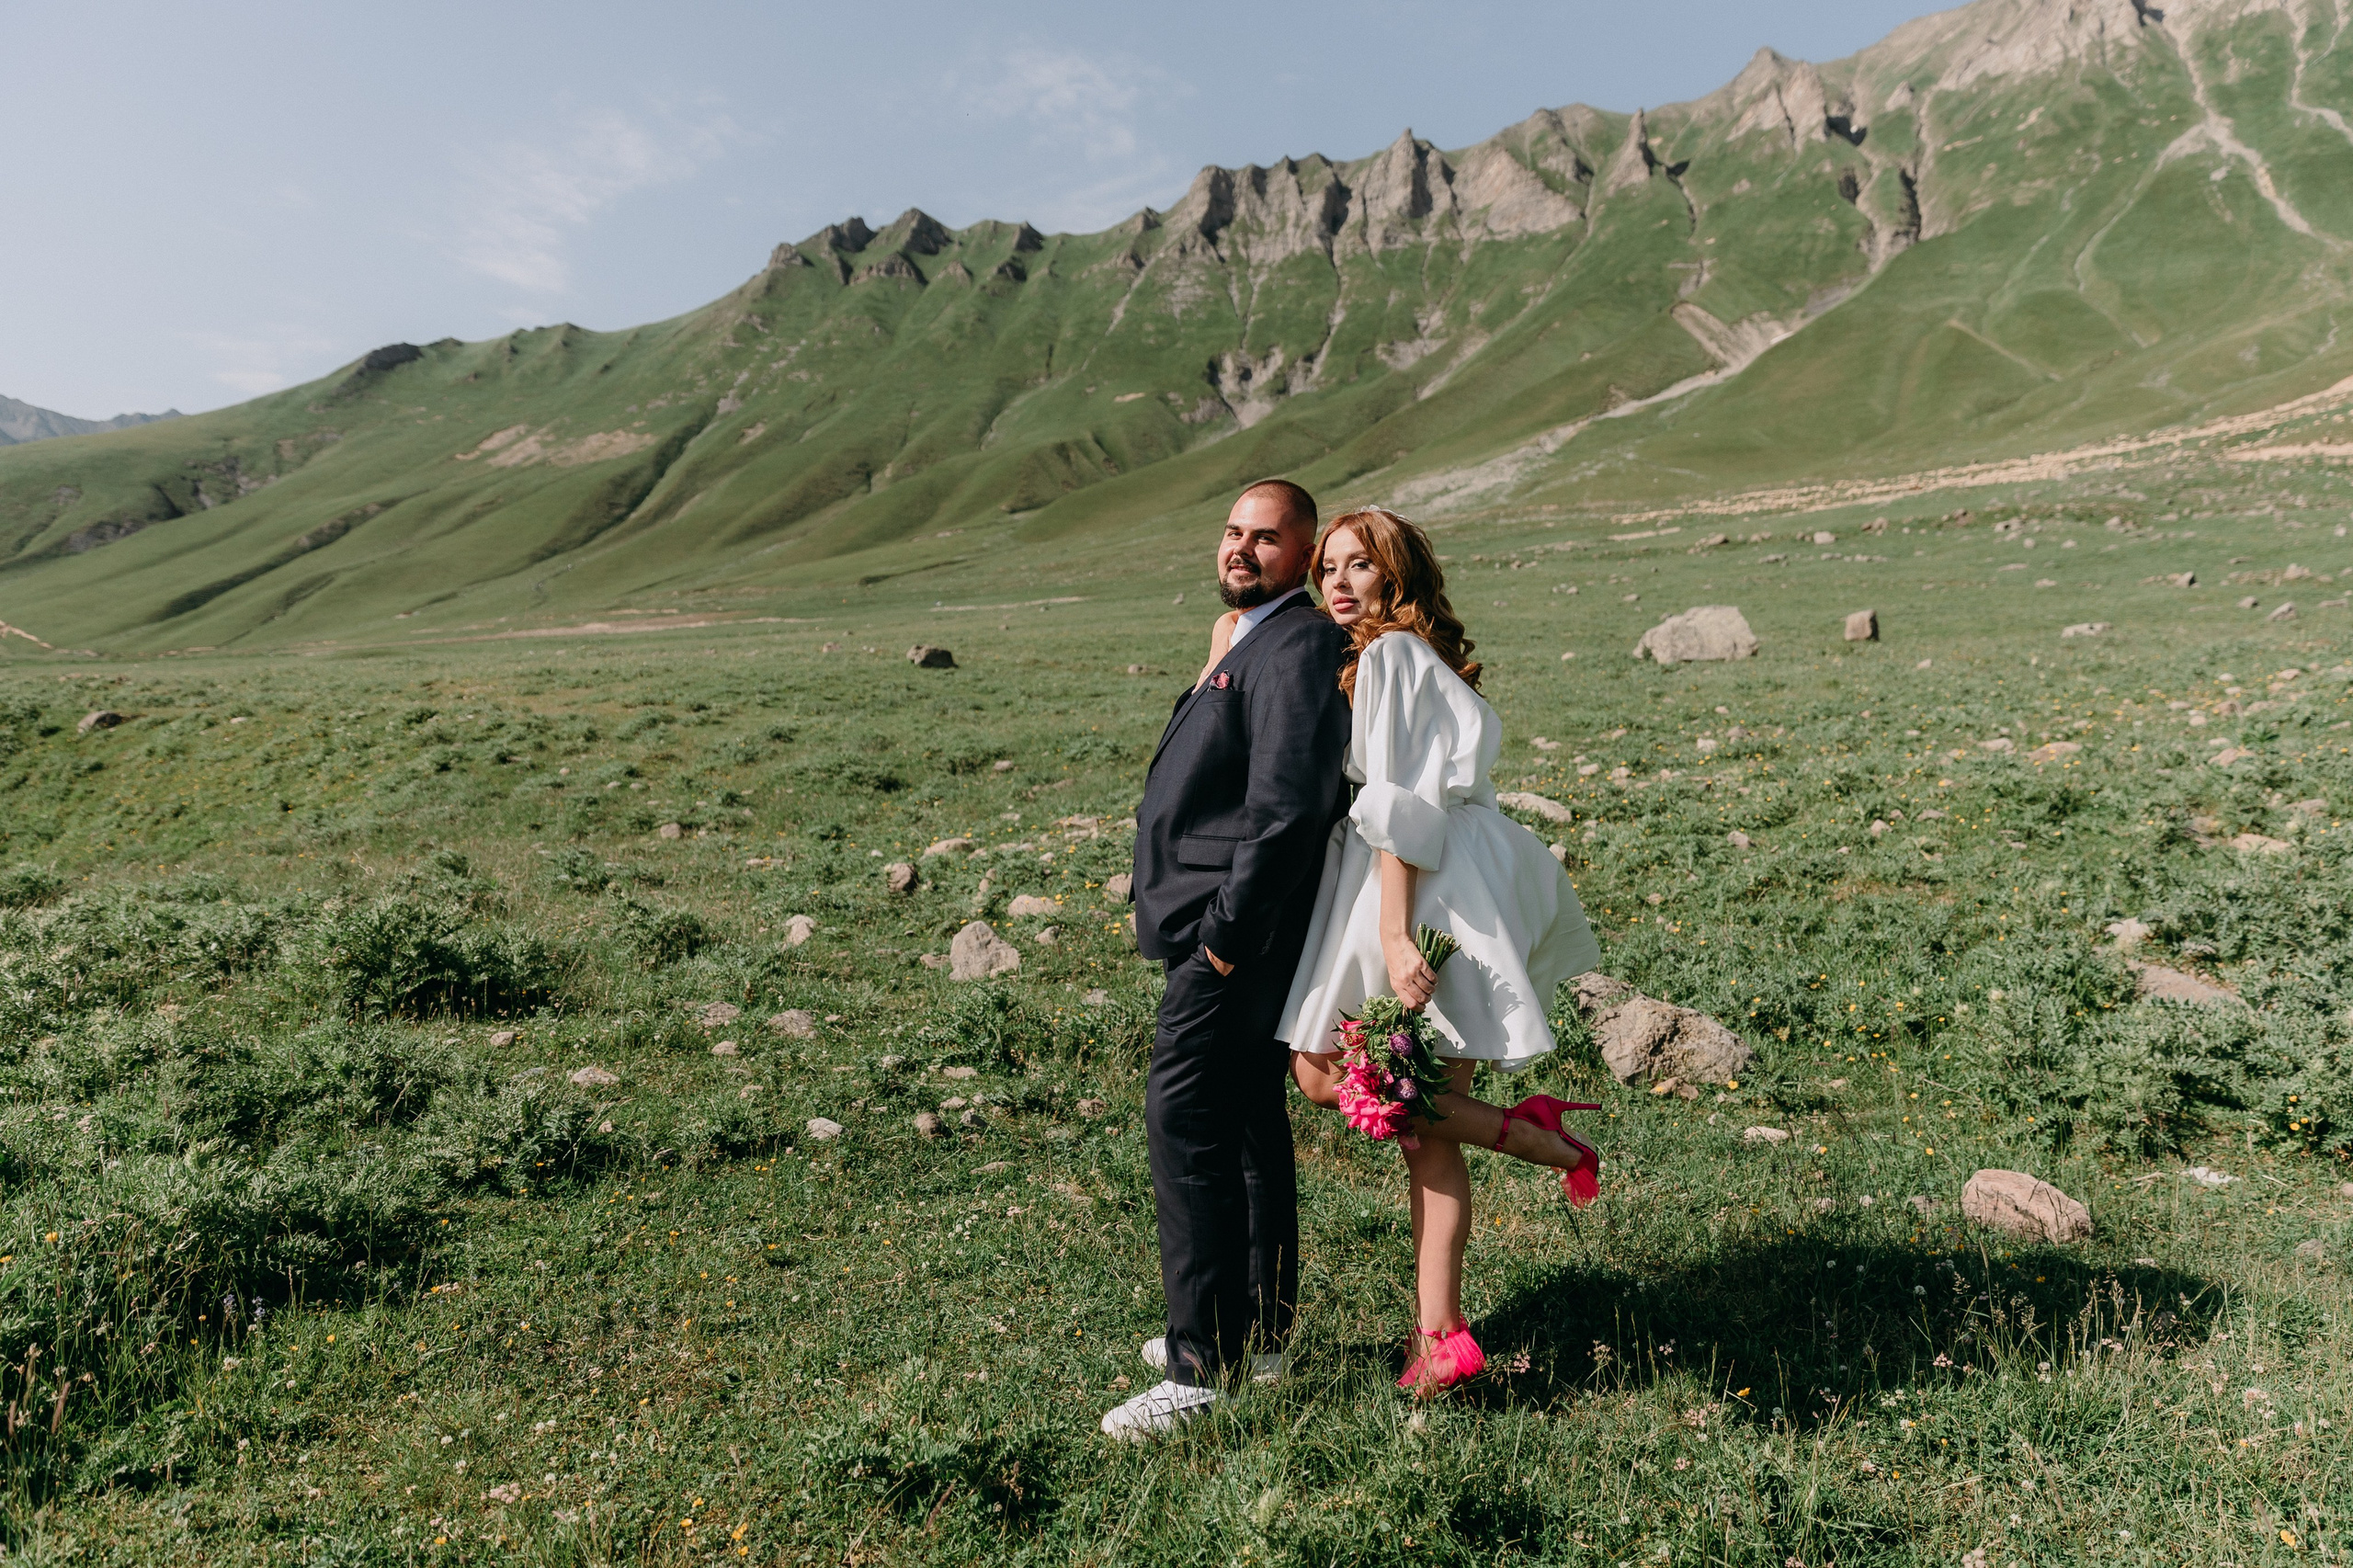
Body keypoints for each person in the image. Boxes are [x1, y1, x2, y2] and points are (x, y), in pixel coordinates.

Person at [1277, 505, 1603, 1396]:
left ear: (1397, 575)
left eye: (1358, 566)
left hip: (1421, 884)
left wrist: (1391, 931)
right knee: (1391, 1105)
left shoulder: (1388, 657)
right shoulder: (1404, 657)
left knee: (1339, 1077)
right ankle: (1449, 1312)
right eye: (1328, 569)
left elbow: (1399, 808)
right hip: (1444, 874)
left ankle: (1444, 1329)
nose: (1338, 583)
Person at [1100, 478, 1351, 1440]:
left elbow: (1286, 807)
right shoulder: (1253, 635)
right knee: (1246, 1116)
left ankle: (1200, 1362)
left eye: (1267, 537)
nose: (1242, 549)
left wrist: (1224, 938)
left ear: (1305, 549)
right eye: (1233, 532)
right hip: (1225, 929)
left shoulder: (1295, 644)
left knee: (1185, 1112)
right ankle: (1262, 1330)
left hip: (1235, 935)